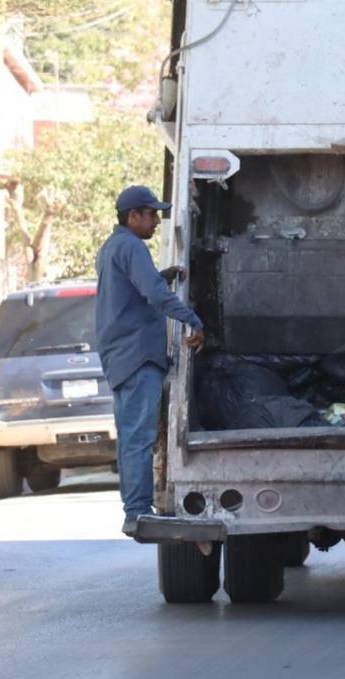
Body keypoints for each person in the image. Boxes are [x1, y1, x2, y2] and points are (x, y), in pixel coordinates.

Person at [95, 185, 205, 536]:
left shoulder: (112, 247)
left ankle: (135, 509)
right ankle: (138, 511)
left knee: (131, 436)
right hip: (137, 355)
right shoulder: (131, 246)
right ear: (133, 217)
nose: (157, 221)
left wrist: (163, 276)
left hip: (122, 356)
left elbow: (137, 290)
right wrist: (191, 319)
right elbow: (154, 295)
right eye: (152, 214)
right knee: (138, 437)